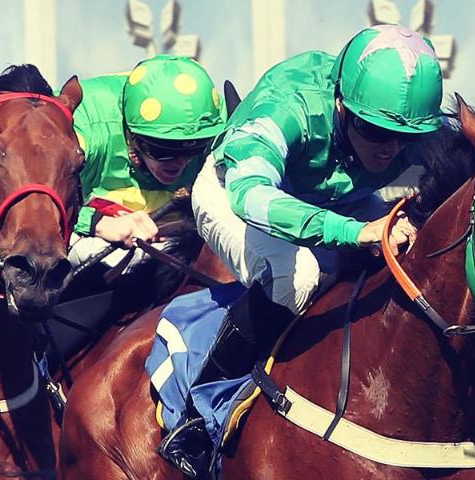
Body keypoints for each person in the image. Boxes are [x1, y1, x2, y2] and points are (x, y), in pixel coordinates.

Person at [158, 24, 443, 475]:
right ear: (341, 105)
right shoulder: (290, 107)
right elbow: (250, 195)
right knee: (299, 276)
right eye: (373, 131)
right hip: (234, 191)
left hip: (333, 197)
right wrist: (354, 233)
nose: (389, 150)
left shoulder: (406, 121)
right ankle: (199, 416)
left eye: (403, 138)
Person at [68, 55, 226, 272]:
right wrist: (95, 222)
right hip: (87, 240)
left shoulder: (215, 124)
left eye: (193, 149)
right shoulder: (85, 130)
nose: (180, 163)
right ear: (131, 136)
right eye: (163, 150)